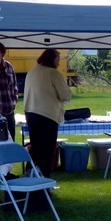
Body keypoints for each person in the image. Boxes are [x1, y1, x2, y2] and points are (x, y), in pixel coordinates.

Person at [24, 48, 72, 178]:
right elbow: (65, 94)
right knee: (47, 151)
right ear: (52, 59)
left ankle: (31, 176)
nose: (58, 62)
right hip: (47, 116)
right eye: (58, 59)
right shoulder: (53, 73)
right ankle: (44, 181)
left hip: (31, 114)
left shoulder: (32, 71)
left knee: (35, 148)